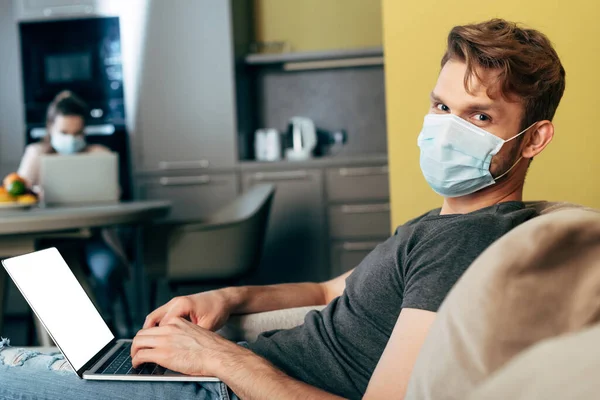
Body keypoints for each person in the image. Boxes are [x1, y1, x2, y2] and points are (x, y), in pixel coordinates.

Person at [0, 18, 565, 400]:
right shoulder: (439, 224)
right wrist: (227, 298)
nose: (446, 128)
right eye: (441, 105)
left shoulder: (464, 244)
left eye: (479, 116)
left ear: (534, 139)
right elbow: (325, 293)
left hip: (220, 388)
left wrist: (221, 361)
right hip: (222, 372)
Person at [16, 90, 130, 333]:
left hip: (93, 237)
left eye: (78, 133)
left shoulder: (99, 155)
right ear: (50, 128)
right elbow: (18, 196)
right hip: (48, 240)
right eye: (64, 133)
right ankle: (69, 333)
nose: (72, 139)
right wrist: (35, 193)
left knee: (107, 270)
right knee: (54, 281)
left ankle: (105, 324)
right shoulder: (36, 154)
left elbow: (115, 196)